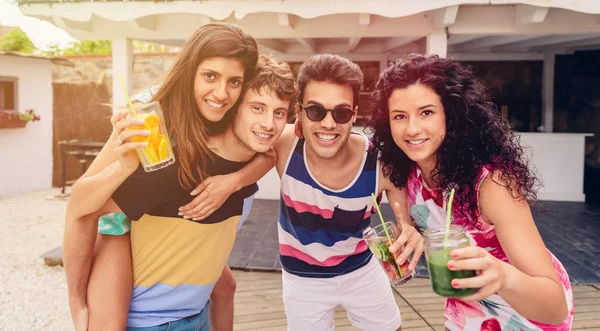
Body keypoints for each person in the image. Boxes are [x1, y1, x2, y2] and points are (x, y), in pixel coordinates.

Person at [63, 22, 295, 330]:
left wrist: (232, 182)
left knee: (224, 286)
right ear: (190, 72)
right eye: (210, 76)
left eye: (234, 82)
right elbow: (80, 205)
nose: (221, 93)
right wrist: (77, 303)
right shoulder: (151, 117)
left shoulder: (228, 119)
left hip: (166, 236)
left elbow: (269, 152)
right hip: (116, 227)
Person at [183, 53, 425, 331]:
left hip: (361, 270)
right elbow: (255, 149)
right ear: (299, 112)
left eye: (342, 113)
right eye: (315, 111)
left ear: (354, 115)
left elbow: (404, 215)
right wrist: (233, 181)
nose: (328, 123)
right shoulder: (285, 143)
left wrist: (409, 229)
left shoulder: (379, 163)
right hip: (302, 278)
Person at [368, 54, 573, 330]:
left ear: (450, 115)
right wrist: (410, 232)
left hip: (526, 314)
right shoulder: (405, 170)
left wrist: (502, 276)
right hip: (467, 311)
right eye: (400, 116)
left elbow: (554, 306)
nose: (412, 128)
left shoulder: (492, 184)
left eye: (426, 112)